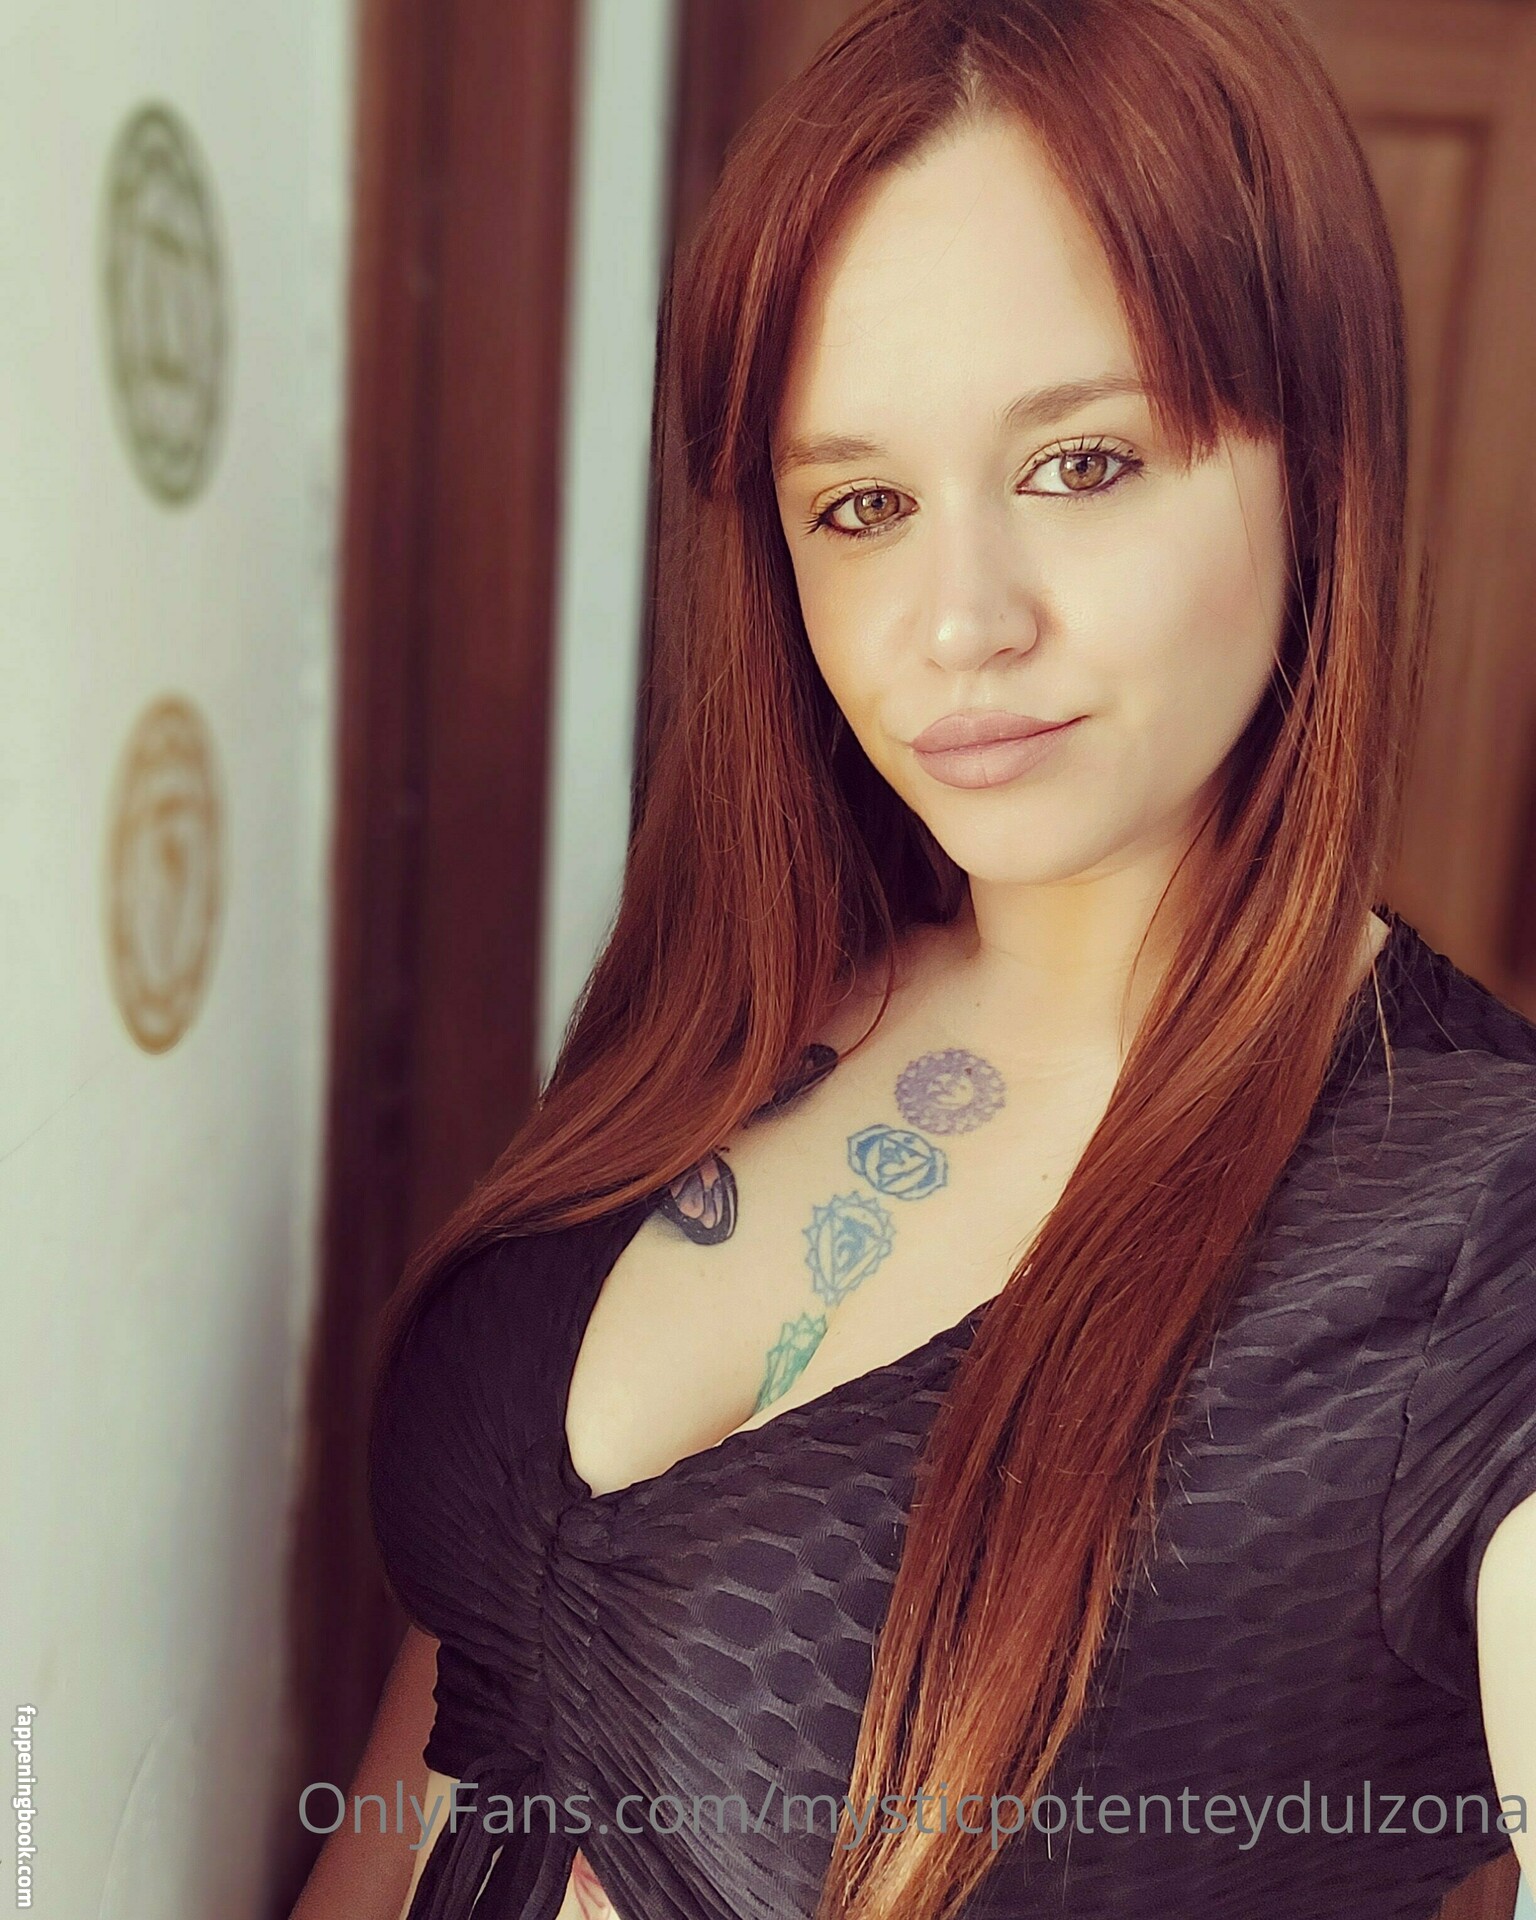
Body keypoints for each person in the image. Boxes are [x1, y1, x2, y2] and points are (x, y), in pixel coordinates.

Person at [301, 1, 1536, 1916]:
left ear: (1317, 459)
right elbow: (472, 1707)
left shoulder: (1475, 1235)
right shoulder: (737, 1002)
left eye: (1082, 464)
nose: (957, 623)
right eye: (861, 505)